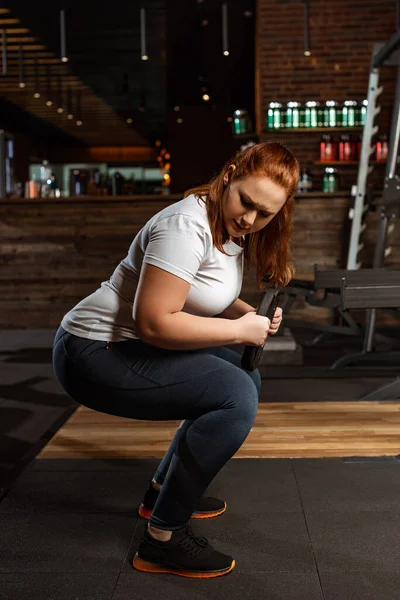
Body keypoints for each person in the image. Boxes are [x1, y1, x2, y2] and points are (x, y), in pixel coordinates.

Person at [52, 141, 299, 579]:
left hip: (127, 345)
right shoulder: (186, 226)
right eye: (246, 202)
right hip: (93, 352)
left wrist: (248, 314)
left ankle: (162, 493)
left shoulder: (225, 226)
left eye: (264, 214)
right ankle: (162, 540)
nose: (249, 219)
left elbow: (202, 294)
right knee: (235, 395)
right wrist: (242, 332)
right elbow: (155, 323)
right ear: (230, 174)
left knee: (242, 372)